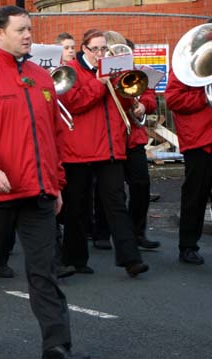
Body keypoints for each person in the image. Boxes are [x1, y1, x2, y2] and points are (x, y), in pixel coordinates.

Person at [0, 6, 89, 359]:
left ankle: (57, 343)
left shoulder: (41, 78)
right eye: (21, 30)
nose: (28, 35)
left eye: (30, 29)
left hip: (38, 191)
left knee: (44, 271)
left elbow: (52, 136)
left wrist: (57, 182)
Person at [57, 29, 149, 277]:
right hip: (80, 150)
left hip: (110, 148)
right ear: (84, 49)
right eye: (95, 49)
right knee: (77, 207)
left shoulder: (113, 70)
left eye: (103, 49)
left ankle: (131, 259)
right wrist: (99, 83)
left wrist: (136, 104)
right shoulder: (71, 71)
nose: (100, 53)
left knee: (116, 203)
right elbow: (74, 103)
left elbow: (124, 102)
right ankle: (74, 260)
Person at [92, 33, 160, 251]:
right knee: (110, 189)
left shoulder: (138, 72)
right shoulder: (101, 74)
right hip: (111, 138)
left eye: (124, 53)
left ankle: (137, 232)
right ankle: (102, 232)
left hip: (134, 138)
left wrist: (144, 106)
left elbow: (149, 95)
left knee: (141, 185)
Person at [164, 20, 212, 265]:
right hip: (200, 140)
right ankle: (188, 246)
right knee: (195, 195)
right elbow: (173, 99)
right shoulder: (186, 63)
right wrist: (204, 96)